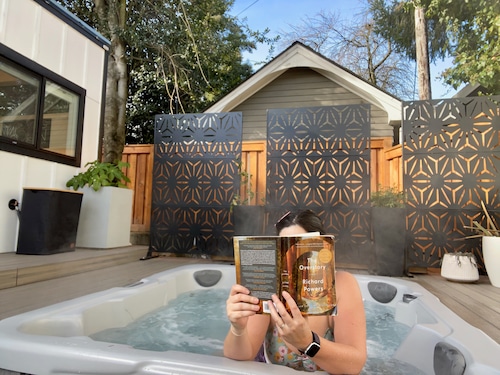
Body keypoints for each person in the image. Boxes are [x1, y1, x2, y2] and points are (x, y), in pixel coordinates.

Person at [224, 209, 367, 374]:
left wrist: (308, 342)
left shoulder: (341, 285)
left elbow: (354, 365)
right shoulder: (268, 287)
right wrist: (238, 329)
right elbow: (241, 356)